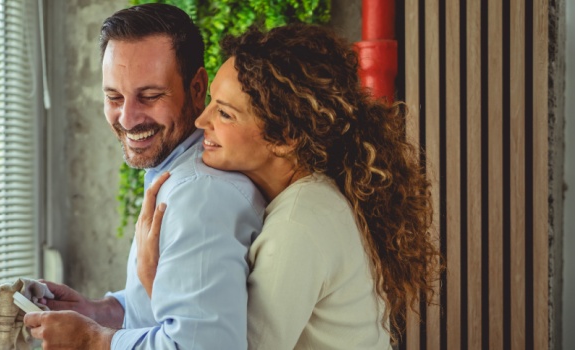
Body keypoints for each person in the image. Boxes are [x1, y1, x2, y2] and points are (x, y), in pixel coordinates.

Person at [135, 24, 442, 349]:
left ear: (284, 138)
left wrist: (155, 280)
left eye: (224, 113)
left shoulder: (298, 225)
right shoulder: (313, 197)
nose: (201, 121)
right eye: (211, 101)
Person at [22, 4, 265, 349]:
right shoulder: (174, 173)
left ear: (198, 88)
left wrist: (91, 339)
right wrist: (101, 311)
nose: (128, 118)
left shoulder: (198, 196)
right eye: (114, 97)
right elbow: (180, 303)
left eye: (150, 96)